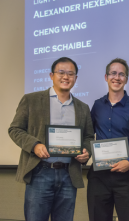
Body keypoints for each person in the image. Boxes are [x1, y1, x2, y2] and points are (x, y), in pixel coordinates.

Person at [8, 57, 94, 221]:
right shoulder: (31, 100)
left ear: (76, 78)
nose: (66, 77)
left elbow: (89, 136)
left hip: (69, 175)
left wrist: (86, 151)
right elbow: (15, 129)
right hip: (40, 172)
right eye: (61, 72)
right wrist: (34, 145)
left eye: (70, 73)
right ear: (51, 75)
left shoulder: (83, 107)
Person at [87, 58, 129, 221]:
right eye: (113, 73)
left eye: (122, 74)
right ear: (106, 77)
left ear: (126, 80)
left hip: (128, 177)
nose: (117, 77)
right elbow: (88, 134)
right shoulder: (97, 105)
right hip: (99, 177)